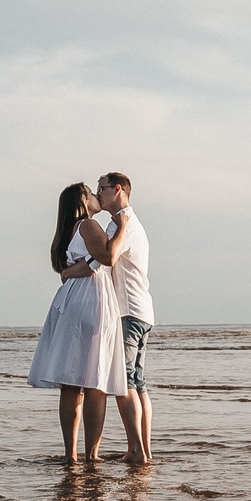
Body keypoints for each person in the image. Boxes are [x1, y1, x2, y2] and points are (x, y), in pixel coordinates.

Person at [27, 182, 130, 463]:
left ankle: (70, 454)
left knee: (71, 383)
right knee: (95, 382)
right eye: (91, 192)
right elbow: (107, 257)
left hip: (71, 300)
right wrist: (122, 228)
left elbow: (78, 265)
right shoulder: (87, 225)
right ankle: (91, 454)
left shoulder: (67, 232)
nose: (97, 195)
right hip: (92, 299)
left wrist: (75, 270)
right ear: (82, 202)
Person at [95, 172, 155, 465]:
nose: (98, 195)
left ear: (117, 189)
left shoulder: (121, 223)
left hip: (128, 310)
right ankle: (144, 450)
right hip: (142, 311)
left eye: (102, 189)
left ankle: (136, 451)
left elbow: (104, 258)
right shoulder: (135, 223)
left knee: (125, 381)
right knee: (138, 383)